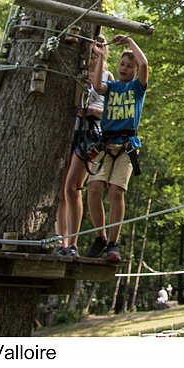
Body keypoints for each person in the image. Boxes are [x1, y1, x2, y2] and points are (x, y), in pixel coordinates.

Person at [83, 34, 149, 262]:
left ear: (134, 70)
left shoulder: (137, 88)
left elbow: (145, 64)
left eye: (129, 66)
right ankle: (100, 237)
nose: (124, 68)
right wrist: (101, 56)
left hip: (127, 146)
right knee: (93, 189)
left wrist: (130, 42)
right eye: (122, 64)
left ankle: (114, 243)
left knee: (115, 191)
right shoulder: (110, 87)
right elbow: (97, 85)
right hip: (106, 143)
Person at [55, 43, 110, 257]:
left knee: (73, 187)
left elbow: (109, 112)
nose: (92, 55)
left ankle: (73, 244)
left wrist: (89, 111)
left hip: (89, 136)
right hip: (68, 135)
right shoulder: (73, 73)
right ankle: (62, 243)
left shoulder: (106, 77)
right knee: (62, 192)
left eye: (97, 52)